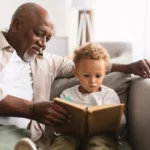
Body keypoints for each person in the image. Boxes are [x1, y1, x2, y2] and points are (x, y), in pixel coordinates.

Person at [0, 2, 150, 150]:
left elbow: (82, 66)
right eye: (39, 34)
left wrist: (128, 67)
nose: (44, 44)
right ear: (17, 25)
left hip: (25, 136)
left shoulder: (46, 60)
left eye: (48, 39)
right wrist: (32, 109)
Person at [50, 42, 125, 150]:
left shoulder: (109, 94)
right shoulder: (67, 94)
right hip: (71, 135)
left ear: (105, 73)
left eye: (98, 76)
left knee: (100, 145)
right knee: (62, 144)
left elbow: (121, 121)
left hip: (101, 136)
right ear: (76, 73)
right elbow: (59, 117)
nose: (92, 81)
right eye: (86, 75)